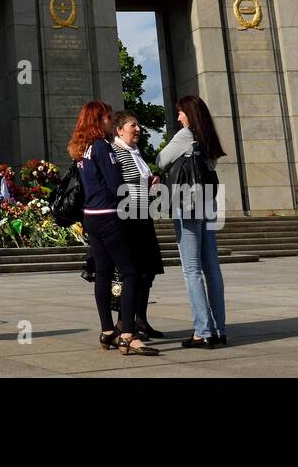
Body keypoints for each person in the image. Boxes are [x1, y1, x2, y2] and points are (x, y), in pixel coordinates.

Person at [73, 102, 156, 357]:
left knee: (104, 274)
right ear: (99, 121)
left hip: (91, 217)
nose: (111, 121)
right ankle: (128, 334)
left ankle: (107, 330)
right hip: (109, 216)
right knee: (131, 273)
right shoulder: (101, 147)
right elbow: (115, 185)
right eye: (108, 117)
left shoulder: (81, 149)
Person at [157, 95, 227, 349]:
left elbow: (161, 160)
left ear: (188, 114)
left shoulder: (185, 135)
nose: (178, 117)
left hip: (188, 203)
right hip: (210, 201)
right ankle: (219, 329)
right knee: (212, 268)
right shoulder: (209, 136)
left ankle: (202, 331)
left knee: (191, 270)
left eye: (180, 113)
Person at [110, 111, 166, 340]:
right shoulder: (115, 152)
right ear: (119, 129)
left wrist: (153, 179)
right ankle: (124, 322)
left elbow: (139, 180)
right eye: (133, 125)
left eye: (139, 125)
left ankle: (141, 320)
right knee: (130, 273)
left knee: (147, 271)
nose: (138, 129)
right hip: (128, 220)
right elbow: (118, 184)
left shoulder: (136, 152)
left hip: (143, 217)